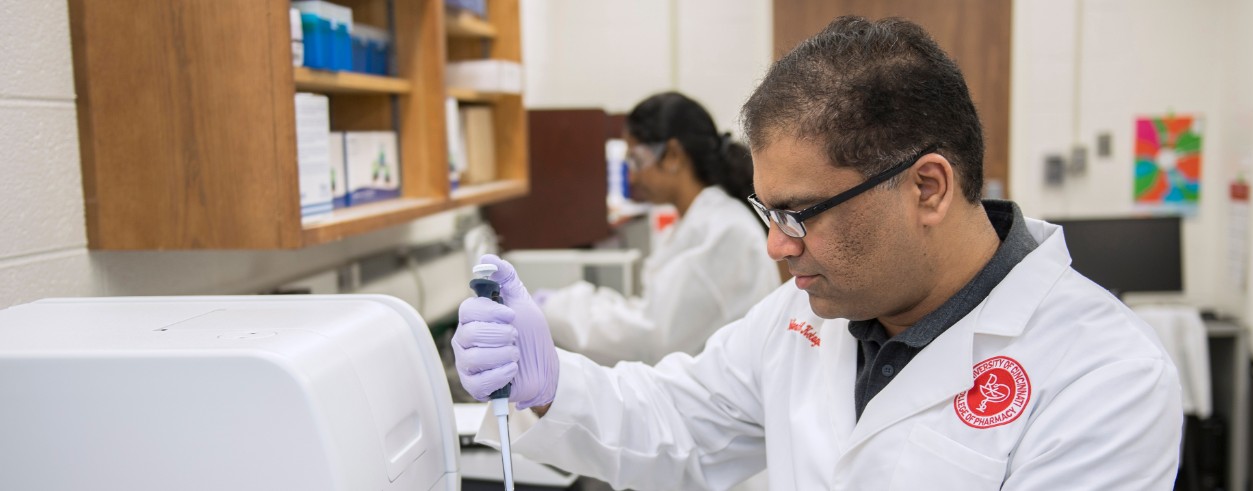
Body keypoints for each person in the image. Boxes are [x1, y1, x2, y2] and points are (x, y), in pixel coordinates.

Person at [453, 16, 1183, 490]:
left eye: (800, 214)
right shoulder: (804, 316)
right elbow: (679, 421)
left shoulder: (1104, 376)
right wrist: (550, 386)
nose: (776, 244)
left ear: (928, 188)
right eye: (769, 213)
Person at [535, 92, 780, 366]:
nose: (632, 176)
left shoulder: (722, 231)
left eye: (637, 160)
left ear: (673, 155)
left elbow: (652, 338)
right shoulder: (700, 220)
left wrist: (555, 310)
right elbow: (658, 316)